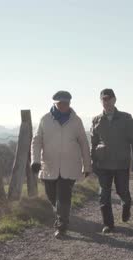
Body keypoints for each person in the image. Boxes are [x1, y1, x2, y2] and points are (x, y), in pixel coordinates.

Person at [31, 90, 92, 239]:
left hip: (70, 165)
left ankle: (62, 225)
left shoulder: (76, 120)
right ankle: (61, 216)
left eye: (66, 103)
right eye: (60, 103)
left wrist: (87, 165)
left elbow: (84, 143)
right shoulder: (44, 120)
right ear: (54, 103)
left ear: (70, 103)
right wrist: (35, 160)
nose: (64, 106)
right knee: (52, 196)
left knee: (64, 196)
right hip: (49, 166)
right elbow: (36, 141)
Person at [90, 88, 133, 234]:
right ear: (101, 101)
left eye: (109, 99)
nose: (106, 102)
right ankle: (108, 224)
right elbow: (93, 143)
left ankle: (126, 205)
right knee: (103, 195)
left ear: (114, 100)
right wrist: (92, 161)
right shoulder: (96, 120)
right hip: (103, 164)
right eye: (103, 99)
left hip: (121, 163)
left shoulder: (126, 118)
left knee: (122, 191)